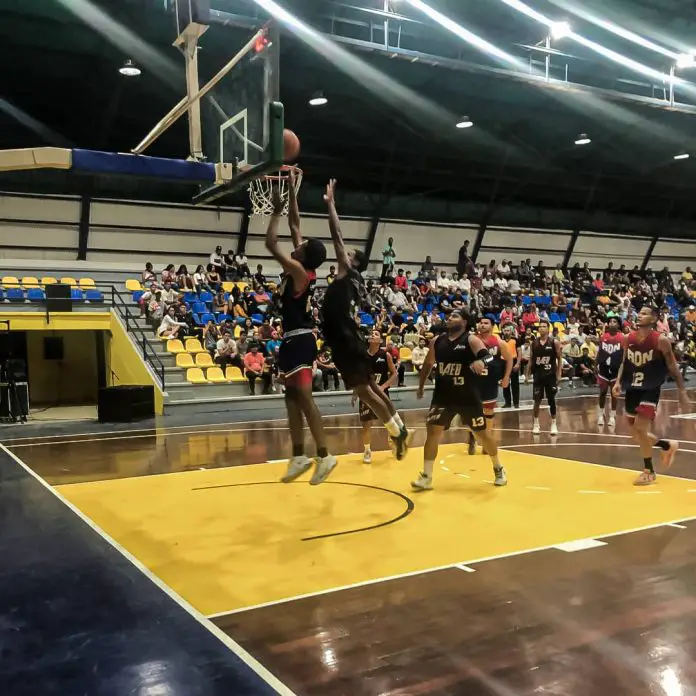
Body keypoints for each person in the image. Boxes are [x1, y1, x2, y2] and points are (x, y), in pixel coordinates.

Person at [322, 179, 412, 458]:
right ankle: (398, 425)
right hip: (352, 337)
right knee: (372, 387)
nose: (342, 255)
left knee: (364, 392)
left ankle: (397, 433)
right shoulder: (357, 280)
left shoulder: (346, 272)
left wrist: (331, 204)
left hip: (345, 339)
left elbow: (336, 234)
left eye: (347, 255)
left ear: (354, 262)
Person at [264, 175, 337, 485]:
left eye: (302, 245)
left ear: (303, 256)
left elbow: (271, 243)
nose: (299, 242)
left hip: (301, 339)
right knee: (291, 399)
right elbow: (296, 226)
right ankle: (298, 455)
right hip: (291, 341)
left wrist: (276, 210)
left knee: (305, 399)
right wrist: (293, 191)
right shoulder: (302, 265)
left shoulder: (297, 270)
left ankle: (325, 454)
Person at [411, 309, 507, 491]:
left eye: (455, 316)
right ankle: (426, 476)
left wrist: (481, 362)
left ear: (464, 322)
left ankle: (498, 468)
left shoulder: (471, 339)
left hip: (467, 396)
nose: (449, 318)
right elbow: (428, 364)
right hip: (443, 395)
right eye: (449, 316)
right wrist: (421, 385)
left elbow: (489, 356)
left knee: (482, 435)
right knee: (432, 433)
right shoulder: (436, 341)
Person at [613, 306, 687, 485]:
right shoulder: (628, 338)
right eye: (640, 312)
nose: (640, 315)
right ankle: (667, 445)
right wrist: (617, 382)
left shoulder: (660, 340)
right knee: (636, 434)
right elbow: (624, 361)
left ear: (654, 319)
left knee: (640, 428)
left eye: (645, 313)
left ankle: (649, 471)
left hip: (651, 386)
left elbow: (672, 367)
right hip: (632, 387)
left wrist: (682, 391)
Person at [468, 317, 513, 455]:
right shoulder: (472, 340)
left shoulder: (499, 342)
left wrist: (506, 377)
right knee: (472, 413)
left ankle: (486, 443)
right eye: (481, 322)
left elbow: (510, 359)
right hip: (473, 382)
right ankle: (472, 437)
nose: (482, 324)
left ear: (493, 326)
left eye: (486, 323)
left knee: (488, 413)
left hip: (490, 382)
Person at [354, 331, 399, 464]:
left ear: (380, 341)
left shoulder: (386, 355)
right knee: (366, 424)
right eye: (371, 334)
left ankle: (395, 444)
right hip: (366, 393)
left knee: (389, 423)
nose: (372, 335)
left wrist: (383, 386)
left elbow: (394, 374)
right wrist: (355, 392)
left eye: (376, 334)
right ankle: (367, 450)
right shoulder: (362, 356)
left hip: (381, 393)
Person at [527, 320, 562, 435]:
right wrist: (527, 375)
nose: (541, 328)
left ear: (548, 329)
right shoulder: (534, 343)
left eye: (544, 326)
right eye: (540, 326)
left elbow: (559, 359)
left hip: (550, 375)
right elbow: (531, 360)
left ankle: (553, 424)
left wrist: (559, 374)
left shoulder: (554, 342)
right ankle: (536, 424)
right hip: (538, 375)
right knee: (537, 400)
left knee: (551, 400)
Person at [596, 316, 625, 426]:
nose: (612, 323)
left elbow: (623, 356)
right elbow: (600, 352)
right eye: (610, 321)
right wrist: (596, 364)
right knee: (602, 392)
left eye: (614, 321)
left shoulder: (622, 338)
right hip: (603, 368)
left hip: (615, 369)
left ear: (618, 325)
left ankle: (612, 416)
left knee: (614, 394)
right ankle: (600, 415)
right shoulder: (603, 337)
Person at [501, 323, 520, 408]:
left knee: (515, 384)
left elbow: (520, 352)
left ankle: (516, 403)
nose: (506, 332)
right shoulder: (500, 342)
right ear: (502, 331)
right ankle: (507, 403)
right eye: (505, 330)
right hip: (504, 362)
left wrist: (518, 363)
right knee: (505, 383)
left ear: (511, 331)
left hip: (513, 361)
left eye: (508, 330)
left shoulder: (515, 340)